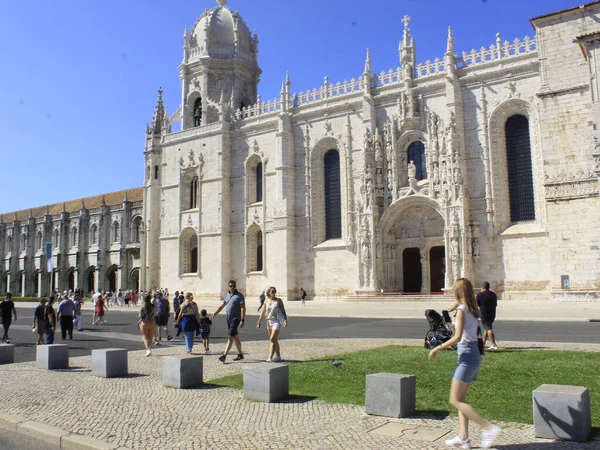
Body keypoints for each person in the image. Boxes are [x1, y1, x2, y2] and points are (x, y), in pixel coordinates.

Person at [428, 278, 501, 449]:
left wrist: (437, 348)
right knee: (461, 398)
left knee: (454, 400)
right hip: (473, 354)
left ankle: (488, 428)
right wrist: (452, 321)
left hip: (467, 355)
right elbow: (467, 331)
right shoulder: (471, 310)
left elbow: (457, 337)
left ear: (457, 292)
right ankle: (464, 438)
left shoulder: (462, 310)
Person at [211, 280, 246, 363]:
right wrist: (214, 314)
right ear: (228, 287)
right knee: (235, 336)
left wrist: (242, 319)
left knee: (230, 336)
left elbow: (243, 308)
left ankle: (224, 356)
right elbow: (222, 306)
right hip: (228, 319)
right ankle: (240, 354)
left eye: (234, 286)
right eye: (231, 286)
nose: (232, 287)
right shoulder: (227, 295)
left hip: (236, 319)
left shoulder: (239, 296)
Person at [256, 286, 288, 362]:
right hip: (269, 321)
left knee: (272, 339)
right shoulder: (266, 301)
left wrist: (285, 320)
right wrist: (259, 322)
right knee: (274, 339)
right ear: (269, 293)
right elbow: (263, 312)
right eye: (272, 291)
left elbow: (283, 311)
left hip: (276, 321)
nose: (274, 293)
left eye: (275, 291)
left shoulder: (278, 301)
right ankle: (278, 357)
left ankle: (270, 357)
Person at [477, 282, 498, 350]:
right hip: (492, 313)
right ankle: (483, 342)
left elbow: (477, 304)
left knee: (488, 328)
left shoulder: (480, 295)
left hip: (484, 313)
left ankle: (493, 344)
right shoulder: (493, 294)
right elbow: (495, 304)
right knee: (487, 327)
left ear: (483, 287)